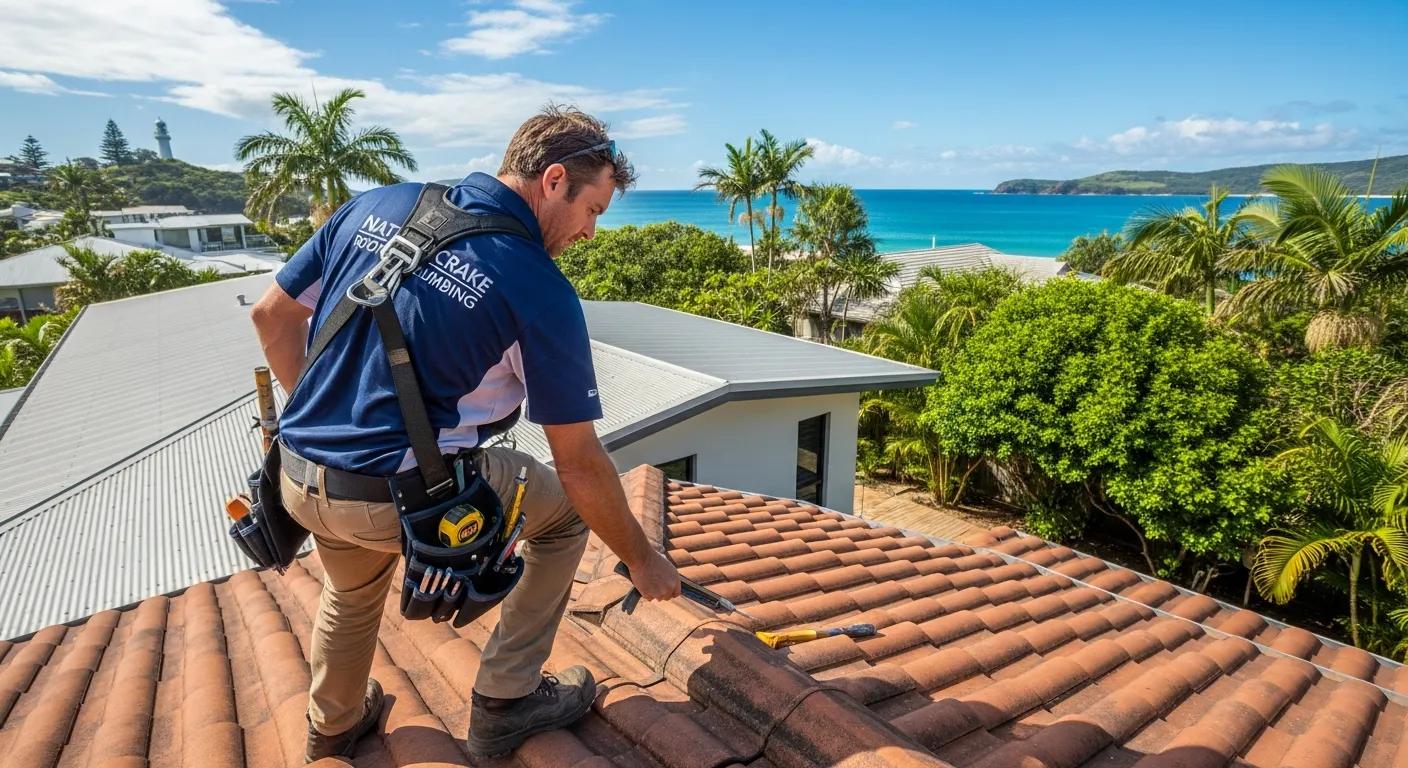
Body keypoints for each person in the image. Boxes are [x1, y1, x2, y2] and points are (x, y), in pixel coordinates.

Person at [250, 105, 682, 763]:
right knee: (568, 517)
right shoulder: (536, 287)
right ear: (555, 180)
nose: (592, 233)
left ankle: (333, 723)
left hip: (299, 481)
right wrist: (643, 559)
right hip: (397, 498)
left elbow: (270, 317)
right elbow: (580, 465)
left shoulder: (374, 204)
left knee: (350, 584)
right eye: (593, 210)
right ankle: (507, 700)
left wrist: (327, 429)